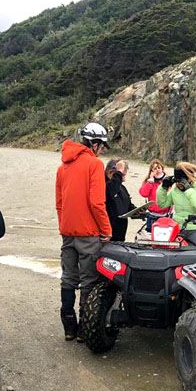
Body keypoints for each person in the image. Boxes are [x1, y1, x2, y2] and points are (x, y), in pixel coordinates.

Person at [55, 122, 112, 341]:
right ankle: (83, 331)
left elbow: (59, 203)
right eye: (102, 145)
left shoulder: (63, 167)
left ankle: (69, 326)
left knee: (68, 279)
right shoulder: (94, 164)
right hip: (89, 234)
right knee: (89, 281)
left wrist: (65, 227)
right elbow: (97, 202)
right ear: (95, 144)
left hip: (68, 232)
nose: (103, 150)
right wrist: (106, 230)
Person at [156, 162, 196, 247]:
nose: (179, 184)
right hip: (178, 227)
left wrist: (188, 190)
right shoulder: (175, 189)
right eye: (177, 181)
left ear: (190, 177)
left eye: (182, 181)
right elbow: (162, 204)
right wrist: (163, 188)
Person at [138, 158, 172, 231]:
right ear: (151, 171)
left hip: (165, 215)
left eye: (159, 168)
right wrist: (150, 182)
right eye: (155, 168)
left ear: (162, 169)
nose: (157, 170)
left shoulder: (168, 181)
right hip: (152, 215)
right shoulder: (149, 182)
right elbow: (143, 193)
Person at [105, 158, 133, 242]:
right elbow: (110, 192)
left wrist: (138, 211)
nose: (123, 179)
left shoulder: (121, 187)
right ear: (110, 173)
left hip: (120, 235)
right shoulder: (105, 186)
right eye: (122, 175)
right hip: (108, 235)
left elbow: (128, 205)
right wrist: (119, 172)